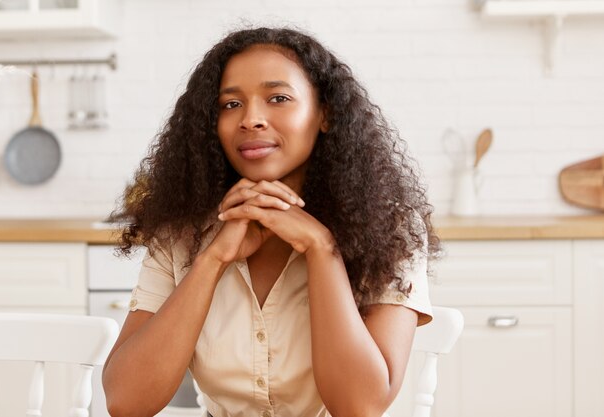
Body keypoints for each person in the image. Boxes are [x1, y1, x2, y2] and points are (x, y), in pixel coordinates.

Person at [102, 26, 441, 417]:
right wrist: (211, 260)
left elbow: (358, 407)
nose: (251, 119)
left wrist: (321, 248)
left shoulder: (391, 227)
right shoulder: (182, 232)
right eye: (230, 105)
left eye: (278, 98)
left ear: (325, 113)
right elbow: (125, 402)